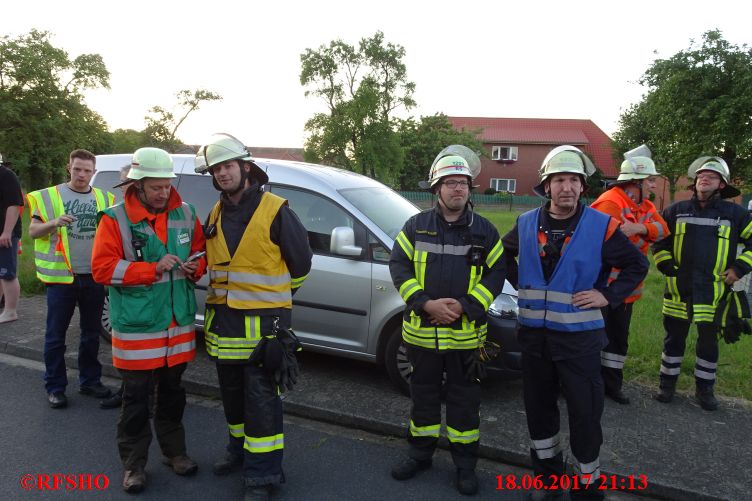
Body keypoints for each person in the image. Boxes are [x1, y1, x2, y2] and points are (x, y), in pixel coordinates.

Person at [501, 146, 647, 500]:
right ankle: (548, 482)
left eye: (573, 181)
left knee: (585, 415)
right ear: (547, 187)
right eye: (559, 180)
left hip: (580, 343)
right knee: (539, 414)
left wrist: (607, 296)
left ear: (583, 187)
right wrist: (522, 281)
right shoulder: (525, 223)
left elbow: (637, 266)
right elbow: (502, 255)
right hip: (535, 341)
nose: (566, 187)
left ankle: (587, 485)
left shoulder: (602, 225)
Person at [194, 133, 312, 501]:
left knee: (262, 402)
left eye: (227, 167)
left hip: (264, 331)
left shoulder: (276, 210)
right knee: (232, 399)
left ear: (246, 167)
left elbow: (302, 265)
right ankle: (238, 451)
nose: (222, 174)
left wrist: (276, 300)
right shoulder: (215, 212)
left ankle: (263, 476)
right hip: (224, 329)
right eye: (216, 170)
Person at [389, 146, 506, 496]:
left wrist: (467, 306)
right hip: (422, 335)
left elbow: (497, 272)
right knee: (422, 399)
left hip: (466, 338)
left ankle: (465, 466)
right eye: (450, 183)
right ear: (436, 188)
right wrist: (426, 304)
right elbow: (399, 266)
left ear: (470, 189)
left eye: (463, 183)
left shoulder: (485, 231)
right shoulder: (415, 227)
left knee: (465, 405)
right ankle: (419, 455)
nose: (458, 189)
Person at [91, 147, 206, 493]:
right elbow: (102, 269)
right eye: (156, 187)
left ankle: (175, 453)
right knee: (136, 399)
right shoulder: (115, 219)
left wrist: (194, 268)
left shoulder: (186, 213)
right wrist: (151, 269)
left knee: (173, 394)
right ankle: (133, 466)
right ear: (137, 185)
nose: (163, 192)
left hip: (177, 328)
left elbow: (201, 253)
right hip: (138, 330)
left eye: (167, 185)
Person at [652, 156, 752, 411]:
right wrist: (665, 265)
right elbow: (660, 240)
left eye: (712, 176)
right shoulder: (676, 210)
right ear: (695, 181)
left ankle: (705, 389)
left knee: (708, 342)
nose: (704, 178)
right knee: (673, 339)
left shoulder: (736, 214)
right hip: (678, 289)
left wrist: (739, 269)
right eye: (701, 175)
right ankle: (667, 385)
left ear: (721, 185)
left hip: (713, 291)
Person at [27, 149, 115, 409]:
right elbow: (33, 232)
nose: (82, 175)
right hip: (61, 278)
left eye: (87, 170)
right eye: (77, 169)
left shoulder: (104, 198)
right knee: (55, 337)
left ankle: (90, 382)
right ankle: (55, 387)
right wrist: (53, 223)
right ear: (69, 168)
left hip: (93, 276)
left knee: (90, 334)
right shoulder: (49, 196)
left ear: (93, 171)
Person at [590, 150, 669, 404]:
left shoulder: (643, 206)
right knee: (595, 338)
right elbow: (605, 245)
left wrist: (640, 228)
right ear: (634, 183)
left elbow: (664, 230)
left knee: (618, 340)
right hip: (602, 288)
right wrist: (644, 233)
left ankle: (612, 385)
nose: (654, 185)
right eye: (650, 181)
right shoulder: (610, 203)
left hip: (626, 289)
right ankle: (590, 385)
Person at [99, 164, 132, 410]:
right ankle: (126, 393)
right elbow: (105, 266)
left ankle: (137, 398)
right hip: (123, 298)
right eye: (122, 184)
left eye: (129, 184)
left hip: (144, 299)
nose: (125, 190)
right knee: (127, 355)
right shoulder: (117, 215)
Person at [0, 153, 24, 324]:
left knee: (7, 273)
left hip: (5, 233)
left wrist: (7, 231)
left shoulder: (6, 175)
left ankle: (10, 311)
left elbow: (14, 205)